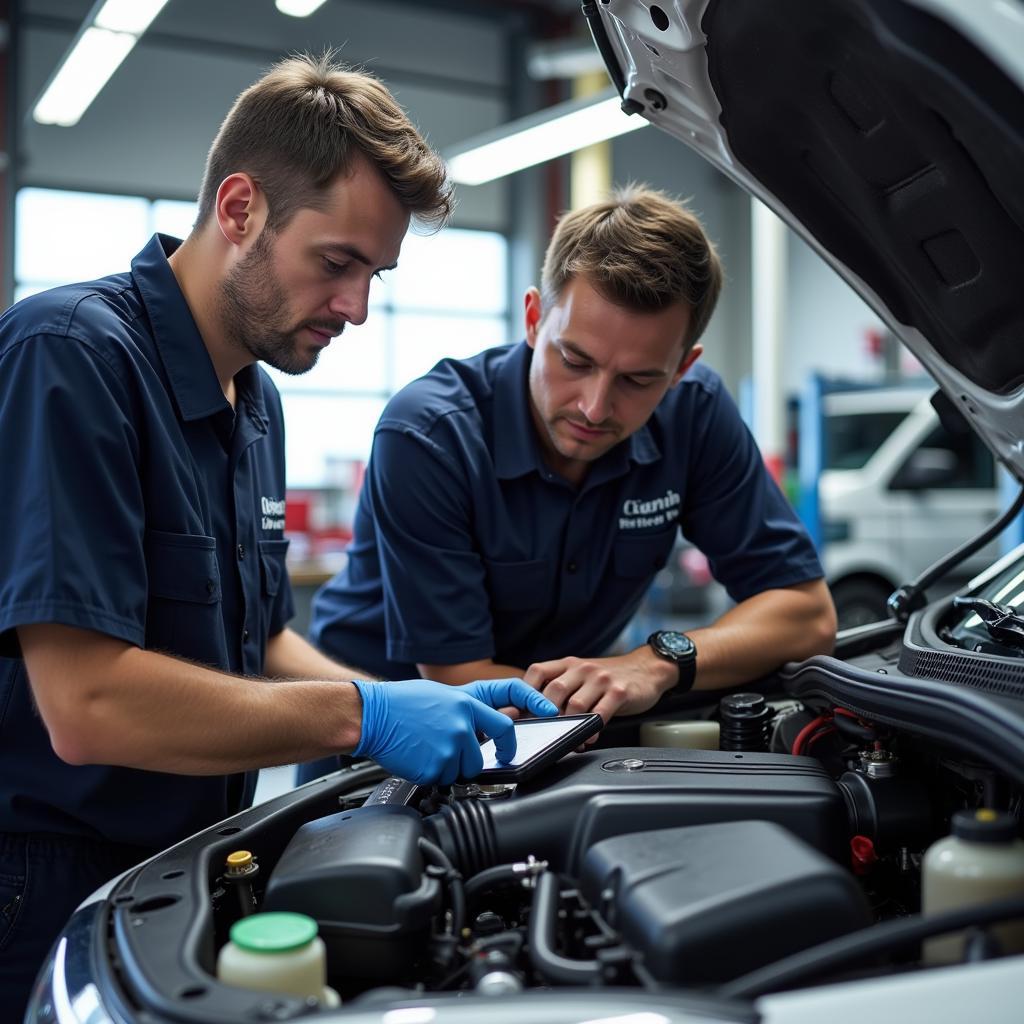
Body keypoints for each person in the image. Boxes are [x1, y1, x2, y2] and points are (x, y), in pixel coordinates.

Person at [0, 55, 556, 1017]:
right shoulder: (72, 357)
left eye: (374, 274)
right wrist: (361, 717)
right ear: (241, 207)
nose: (356, 308)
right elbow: (84, 703)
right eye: (336, 263)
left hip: (185, 863)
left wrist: (400, 696)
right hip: (42, 885)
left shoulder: (253, 399)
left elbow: (256, 644)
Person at [304, 185, 836, 779]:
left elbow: (806, 614)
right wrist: (604, 690)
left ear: (683, 369)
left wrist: (655, 664)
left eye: (638, 380)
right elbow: (456, 676)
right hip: (381, 741)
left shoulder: (695, 411)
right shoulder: (430, 435)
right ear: (534, 318)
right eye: (575, 361)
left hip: (559, 730)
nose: (594, 406)